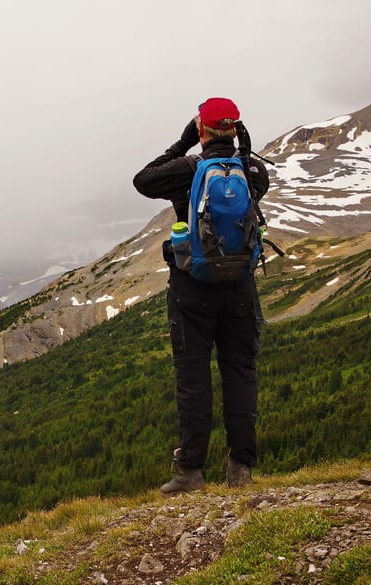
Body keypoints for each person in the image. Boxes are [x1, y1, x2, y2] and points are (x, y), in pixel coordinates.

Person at [132, 97, 270, 493]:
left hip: (193, 286)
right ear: (236, 128)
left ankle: (190, 471)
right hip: (240, 286)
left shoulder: (188, 169)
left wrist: (182, 144)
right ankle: (241, 469)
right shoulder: (251, 170)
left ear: (201, 129)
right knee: (240, 370)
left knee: (193, 378)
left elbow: (143, 180)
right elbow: (256, 190)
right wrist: (240, 148)